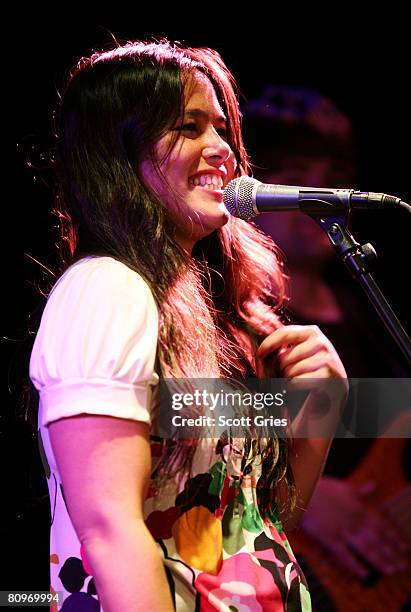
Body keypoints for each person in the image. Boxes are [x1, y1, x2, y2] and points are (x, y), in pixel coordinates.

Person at [29, 41, 348, 611]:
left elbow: (253, 529)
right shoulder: (106, 289)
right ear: (118, 153)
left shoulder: (212, 315)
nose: (222, 149)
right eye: (189, 127)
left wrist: (322, 407)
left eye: (222, 128)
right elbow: (108, 530)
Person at [242, 85, 410, 603]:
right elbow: (191, 411)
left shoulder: (368, 304)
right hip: (287, 565)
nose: (319, 197)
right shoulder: (235, 312)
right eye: (296, 181)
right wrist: (314, 499)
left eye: (332, 181)